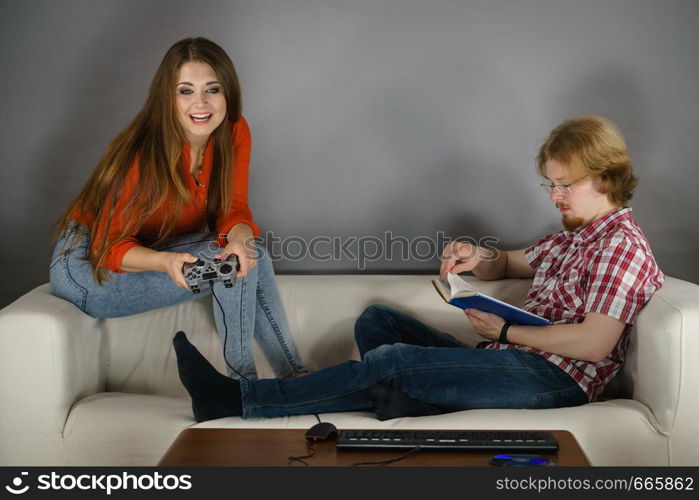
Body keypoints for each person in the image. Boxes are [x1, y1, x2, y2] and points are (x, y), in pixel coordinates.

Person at [172, 115, 664, 422]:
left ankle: (238, 400)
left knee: (393, 360)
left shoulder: (621, 246)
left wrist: (509, 331)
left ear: (603, 176)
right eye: (549, 186)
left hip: (555, 380)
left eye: (564, 186)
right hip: (510, 357)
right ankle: (409, 402)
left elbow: (594, 343)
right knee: (375, 322)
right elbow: (510, 262)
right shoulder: (574, 236)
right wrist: (478, 256)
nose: (554, 197)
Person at [50, 37, 307, 381]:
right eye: (185, 91)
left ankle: (293, 378)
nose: (200, 103)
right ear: (166, 99)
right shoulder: (141, 154)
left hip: (148, 245)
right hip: (88, 270)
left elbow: (234, 209)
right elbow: (108, 249)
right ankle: (244, 384)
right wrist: (166, 262)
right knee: (233, 260)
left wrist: (241, 239)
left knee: (247, 253)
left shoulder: (234, 131)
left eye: (212, 89)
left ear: (227, 92)